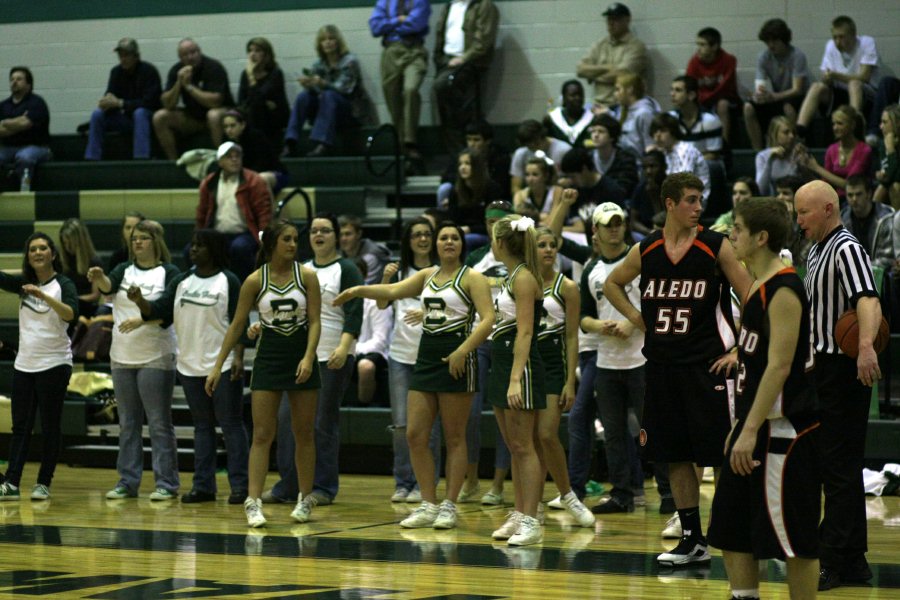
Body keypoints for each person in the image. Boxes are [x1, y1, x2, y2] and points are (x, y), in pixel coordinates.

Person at [605, 172, 752, 567]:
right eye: (690, 199)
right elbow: (611, 284)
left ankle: (735, 535)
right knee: (674, 456)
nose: (698, 207)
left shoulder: (714, 246)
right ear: (669, 203)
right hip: (663, 366)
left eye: (700, 199)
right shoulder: (647, 247)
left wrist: (741, 347)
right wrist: (638, 318)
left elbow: (754, 293)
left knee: (722, 454)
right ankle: (693, 540)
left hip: (709, 366)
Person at [333, 221, 494, 530]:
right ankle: (428, 503)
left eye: (454, 238)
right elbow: (392, 291)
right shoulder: (426, 275)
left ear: (462, 245)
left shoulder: (473, 278)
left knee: (455, 436)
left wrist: (462, 351)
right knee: (414, 434)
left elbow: (488, 320)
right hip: (426, 357)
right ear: (435, 245)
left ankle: (449, 504)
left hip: (458, 357)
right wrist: (358, 290)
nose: (448, 242)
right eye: (443, 238)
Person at [707, 197, 820, 600]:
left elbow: (779, 367)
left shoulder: (785, 288)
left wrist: (748, 428)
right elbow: (752, 367)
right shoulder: (754, 286)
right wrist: (740, 425)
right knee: (730, 529)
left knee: (794, 541)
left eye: (736, 228)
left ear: (761, 237)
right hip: (753, 426)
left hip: (784, 432)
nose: (730, 234)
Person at [794, 180, 882, 591]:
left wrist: (865, 345)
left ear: (829, 209)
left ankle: (832, 559)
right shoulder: (815, 250)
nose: (799, 221)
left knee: (839, 468)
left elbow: (868, 298)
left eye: (804, 213)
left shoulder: (846, 247)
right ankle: (855, 560)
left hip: (843, 368)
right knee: (839, 467)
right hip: (824, 368)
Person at [206, 220, 321, 527]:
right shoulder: (255, 281)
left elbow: (316, 321)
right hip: (268, 359)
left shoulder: (307, 276)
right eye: (287, 239)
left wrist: (309, 357)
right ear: (271, 244)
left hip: (301, 358)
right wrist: (218, 365)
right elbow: (237, 325)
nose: (294, 244)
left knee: (303, 433)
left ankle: (305, 498)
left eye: (296, 239)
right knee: (262, 434)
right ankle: (253, 501)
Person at [131, 229, 249, 505]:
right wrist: (139, 301)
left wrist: (238, 358)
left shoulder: (228, 281)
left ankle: (241, 486)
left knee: (231, 426)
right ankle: (204, 486)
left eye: (201, 245)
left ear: (215, 250)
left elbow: (238, 322)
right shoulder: (182, 281)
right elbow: (159, 310)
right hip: (189, 366)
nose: (193, 250)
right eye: (192, 244)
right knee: (202, 427)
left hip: (221, 366)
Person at [88, 220, 181, 501]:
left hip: (156, 355)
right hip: (122, 356)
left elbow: (164, 310)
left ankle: (167, 483)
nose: (136, 242)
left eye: (143, 238)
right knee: (128, 422)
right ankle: (127, 481)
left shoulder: (169, 272)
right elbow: (108, 286)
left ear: (155, 241)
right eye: (134, 238)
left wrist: (141, 316)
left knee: (158, 422)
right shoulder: (123, 270)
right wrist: (99, 276)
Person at [574, 203, 649, 515]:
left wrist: (632, 322)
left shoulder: (641, 259)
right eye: (608, 225)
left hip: (642, 358)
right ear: (596, 231)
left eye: (619, 223)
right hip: (607, 361)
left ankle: (670, 494)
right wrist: (599, 326)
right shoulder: (592, 270)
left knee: (652, 429)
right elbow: (583, 318)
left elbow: (657, 301)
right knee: (614, 432)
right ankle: (622, 493)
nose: (614, 228)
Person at [483, 215, 547, 546]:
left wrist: (515, 378)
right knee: (513, 446)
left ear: (502, 243)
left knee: (524, 446)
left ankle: (532, 520)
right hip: (503, 361)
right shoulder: (511, 276)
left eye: (493, 238)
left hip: (520, 366)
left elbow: (525, 330)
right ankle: (520, 513)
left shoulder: (523, 278)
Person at [0, 233, 77, 501]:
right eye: (33, 249)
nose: (38, 252)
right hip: (25, 364)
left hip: (55, 363)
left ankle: (43, 483)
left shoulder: (63, 284)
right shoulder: (24, 282)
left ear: (53, 254)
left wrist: (43, 296)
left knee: (49, 425)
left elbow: (70, 313)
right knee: (21, 426)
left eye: (43, 248)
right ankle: (11, 483)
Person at [528, 226, 594, 528]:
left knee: (546, 434)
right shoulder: (522, 283)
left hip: (553, 363)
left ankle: (568, 495)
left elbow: (571, 336)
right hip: (527, 363)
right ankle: (534, 503)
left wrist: (570, 380)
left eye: (552, 245)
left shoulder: (567, 286)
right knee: (528, 440)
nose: (548, 250)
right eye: (541, 245)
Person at [302, 213, 364, 505]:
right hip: (305, 357)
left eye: (325, 230)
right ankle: (294, 485)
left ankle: (324, 487)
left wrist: (343, 347)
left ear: (336, 236)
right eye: (314, 230)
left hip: (333, 356)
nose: (319, 235)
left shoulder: (346, 269)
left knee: (323, 422)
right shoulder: (301, 270)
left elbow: (354, 313)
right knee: (297, 423)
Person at [458, 202, 515, 508]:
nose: (494, 226)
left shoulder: (519, 259)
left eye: (500, 221)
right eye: (489, 221)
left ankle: (498, 485)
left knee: (505, 416)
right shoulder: (476, 258)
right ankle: (470, 480)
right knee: (470, 413)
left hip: (508, 342)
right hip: (480, 342)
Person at [379, 217, 440, 502]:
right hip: (401, 356)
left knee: (430, 426)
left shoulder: (442, 271)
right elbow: (381, 303)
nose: (423, 239)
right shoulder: (400, 270)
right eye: (417, 235)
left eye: (427, 234)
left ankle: (424, 485)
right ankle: (403, 482)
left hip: (432, 357)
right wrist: (385, 280)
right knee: (401, 424)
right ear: (408, 240)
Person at [285, 25, 376, 158]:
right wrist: (309, 85)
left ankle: (323, 143)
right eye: (324, 40)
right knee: (304, 96)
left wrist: (323, 83)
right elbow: (317, 92)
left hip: (350, 112)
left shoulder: (349, 61)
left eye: (331, 39)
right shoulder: (319, 64)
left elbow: (345, 89)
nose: (327, 42)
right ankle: (290, 142)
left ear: (338, 42)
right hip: (326, 110)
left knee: (329, 95)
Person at [195, 141, 272, 282]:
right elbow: (202, 212)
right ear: (220, 161)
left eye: (238, 156)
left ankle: (241, 287)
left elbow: (263, 212)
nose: (234, 159)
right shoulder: (209, 182)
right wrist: (198, 236)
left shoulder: (254, 181)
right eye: (229, 156)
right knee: (191, 250)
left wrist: (264, 238)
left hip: (245, 233)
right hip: (216, 233)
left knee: (239, 248)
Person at [368, 0, 431, 167]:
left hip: (414, 50)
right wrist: (398, 20)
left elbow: (416, 25)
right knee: (393, 100)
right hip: (391, 51)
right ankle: (404, 151)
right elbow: (375, 27)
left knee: (410, 90)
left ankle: (410, 141)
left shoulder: (420, 1)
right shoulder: (385, 2)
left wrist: (389, 25)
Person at [796, 16, 881, 140]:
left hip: (865, 92)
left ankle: (854, 128)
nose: (837, 41)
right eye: (835, 37)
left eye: (841, 37)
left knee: (854, 84)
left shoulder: (866, 43)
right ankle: (800, 131)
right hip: (840, 92)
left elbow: (865, 76)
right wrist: (826, 78)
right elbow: (826, 76)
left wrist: (835, 75)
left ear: (853, 35)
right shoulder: (831, 46)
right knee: (816, 86)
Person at [432, 0, 499, 153]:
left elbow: (483, 39)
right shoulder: (450, 6)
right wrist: (439, 58)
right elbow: (440, 34)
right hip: (448, 61)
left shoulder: (483, 5)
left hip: (470, 62)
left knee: (468, 112)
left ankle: (471, 154)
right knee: (448, 111)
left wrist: (464, 58)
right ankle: (457, 155)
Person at [153, 38, 233, 160]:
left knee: (213, 115)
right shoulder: (177, 70)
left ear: (199, 51)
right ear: (180, 58)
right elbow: (168, 104)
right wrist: (179, 83)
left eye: (193, 52)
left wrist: (189, 87)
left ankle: (222, 161)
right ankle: (173, 162)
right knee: (160, 117)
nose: (190, 57)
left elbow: (215, 101)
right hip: (193, 117)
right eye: (185, 54)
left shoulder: (213, 67)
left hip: (221, 114)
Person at [85, 38, 162, 160]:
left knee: (140, 113)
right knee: (97, 114)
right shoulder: (116, 72)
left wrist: (121, 103)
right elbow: (110, 95)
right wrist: (106, 102)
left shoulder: (149, 71)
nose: (123, 59)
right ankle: (92, 158)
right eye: (120, 55)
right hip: (125, 119)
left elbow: (150, 102)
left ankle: (141, 159)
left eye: (126, 55)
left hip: (146, 120)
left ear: (136, 56)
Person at [743, 19, 809, 152]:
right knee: (748, 107)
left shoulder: (797, 55)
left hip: (795, 98)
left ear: (784, 39)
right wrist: (759, 95)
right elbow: (760, 83)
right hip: (777, 97)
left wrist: (774, 96)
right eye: (767, 41)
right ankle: (758, 152)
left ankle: (793, 148)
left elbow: (797, 89)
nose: (770, 45)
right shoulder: (764, 56)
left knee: (788, 107)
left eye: (774, 41)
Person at [576, 2, 648, 110]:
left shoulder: (637, 47)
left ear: (627, 20)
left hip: (624, 107)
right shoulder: (600, 45)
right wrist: (606, 67)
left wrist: (593, 76)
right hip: (598, 105)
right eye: (609, 19)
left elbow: (621, 75)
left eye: (616, 19)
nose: (611, 23)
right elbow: (580, 70)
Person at [800, 104, 873, 199]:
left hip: (856, 199)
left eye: (840, 123)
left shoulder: (864, 150)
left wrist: (817, 168)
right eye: (833, 124)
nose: (835, 128)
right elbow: (825, 185)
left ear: (852, 125)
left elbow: (850, 185)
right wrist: (805, 169)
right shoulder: (832, 150)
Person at [686, 27, 739, 145]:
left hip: (725, 98)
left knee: (722, 105)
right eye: (697, 44)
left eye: (702, 45)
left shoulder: (729, 60)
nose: (698, 49)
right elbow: (689, 86)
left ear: (714, 46)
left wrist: (702, 99)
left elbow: (724, 88)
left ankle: (723, 144)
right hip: (703, 99)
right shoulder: (694, 62)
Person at [0, 66, 51, 185]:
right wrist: (18, 122)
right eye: (12, 79)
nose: (14, 82)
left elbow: (25, 124)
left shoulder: (37, 103)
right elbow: (21, 124)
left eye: (19, 79)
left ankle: (24, 190)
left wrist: (4, 122)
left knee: (24, 157)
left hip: (36, 146)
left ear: (28, 84)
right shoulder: (3, 105)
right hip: (8, 148)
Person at [559, 147, 626, 234]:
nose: (571, 181)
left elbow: (621, 227)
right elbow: (578, 227)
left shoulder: (611, 190)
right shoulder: (575, 190)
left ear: (584, 169)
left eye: (573, 176)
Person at [353, 258, 393, 406]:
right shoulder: (337, 300)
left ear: (363, 276)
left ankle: (363, 409)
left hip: (374, 353)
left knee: (365, 367)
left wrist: (350, 350)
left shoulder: (375, 299)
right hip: (346, 351)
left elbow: (380, 341)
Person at [649, 113, 711, 208]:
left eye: (662, 131)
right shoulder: (664, 151)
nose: (657, 135)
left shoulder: (685, 150)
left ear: (673, 132)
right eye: (655, 131)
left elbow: (683, 183)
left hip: (695, 200)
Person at [237, 37, 289, 149]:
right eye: (250, 51)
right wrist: (263, 102)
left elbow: (260, 96)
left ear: (267, 55)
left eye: (257, 51)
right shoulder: (244, 74)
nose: (252, 54)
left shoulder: (275, 73)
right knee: (251, 109)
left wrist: (251, 76)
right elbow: (241, 101)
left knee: (257, 107)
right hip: (255, 113)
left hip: (275, 115)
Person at [222, 110, 288, 195]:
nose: (228, 130)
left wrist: (243, 177)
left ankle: (266, 208)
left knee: (259, 180)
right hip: (247, 177)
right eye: (225, 127)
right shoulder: (226, 143)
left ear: (242, 125)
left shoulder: (256, 137)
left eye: (232, 126)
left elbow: (263, 163)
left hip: (274, 173)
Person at [447, 148, 503, 249]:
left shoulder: (492, 189)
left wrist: (469, 229)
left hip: (486, 234)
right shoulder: (455, 191)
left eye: (467, 164)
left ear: (477, 166)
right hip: (461, 233)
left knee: (466, 240)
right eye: (460, 164)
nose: (463, 167)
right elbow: (452, 219)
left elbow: (494, 223)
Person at [841, 175, 894, 272]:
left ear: (869, 194)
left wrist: (859, 270)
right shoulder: (843, 218)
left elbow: (887, 259)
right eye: (850, 195)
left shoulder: (886, 217)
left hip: (880, 276)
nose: (854, 199)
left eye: (858, 194)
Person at [509, 120, 572, 197]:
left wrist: (566, 182)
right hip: (531, 198)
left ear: (543, 136)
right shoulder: (520, 154)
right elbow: (516, 186)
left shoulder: (564, 150)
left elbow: (575, 179)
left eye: (536, 144)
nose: (534, 148)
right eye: (530, 147)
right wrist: (521, 202)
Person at [669, 75, 723, 161]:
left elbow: (713, 155)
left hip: (704, 166)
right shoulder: (671, 118)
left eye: (678, 90)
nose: (672, 94)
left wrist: (688, 164)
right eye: (671, 90)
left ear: (691, 95)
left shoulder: (709, 120)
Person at [58, 218, 103, 319]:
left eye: (71, 243)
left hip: (84, 306)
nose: (67, 247)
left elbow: (95, 295)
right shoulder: (61, 261)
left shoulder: (94, 262)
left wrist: (74, 300)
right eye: (65, 243)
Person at [589, 113, 639, 197]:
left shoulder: (625, 159)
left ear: (612, 136)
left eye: (601, 131)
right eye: (593, 131)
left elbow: (625, 189)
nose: (596, 135)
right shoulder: (587, 158)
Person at [610, 70, 657, 158]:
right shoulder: (622, 110)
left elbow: (650, 146)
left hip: (638, 163)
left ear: (629, 90)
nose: (615, 94)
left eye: (618, 89)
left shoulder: (644, 113)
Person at [755, 116, 803, 196]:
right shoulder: (763, 156)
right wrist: (769, 161)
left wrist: (803, 165)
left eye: (793, 133)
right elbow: (760, 189)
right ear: (774, 134)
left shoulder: (798, 154)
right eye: (786, 132)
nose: (791, 136)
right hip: (772, 201)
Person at [338, 214, 392, 285]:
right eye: (340, 235)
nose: (343, 239)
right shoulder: (338, 254)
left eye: (348, 234)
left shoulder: (371, 257)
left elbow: (362, 286)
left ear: (359, 234)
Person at [512, 156, 564, 222]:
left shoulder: (557, 192)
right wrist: (543, 217)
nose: (530, 179)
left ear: (545, 176)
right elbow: (519, 221)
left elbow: (554, 221)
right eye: (527, 175)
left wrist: (533, 218)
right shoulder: (520, 195)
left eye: (535, 174)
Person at [545, 80, 593, 148]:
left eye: (580, 94)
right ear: (564, 98)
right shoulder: (551, 119)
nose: (578, 98)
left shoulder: (592, 118)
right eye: (573, 95)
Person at [629, 149, 667, 236]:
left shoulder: (673, 186)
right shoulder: (640, 189)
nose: (648, 171)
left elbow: (662, 219)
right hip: (648, 233)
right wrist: (650, 232)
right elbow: (633, 222)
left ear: (664, 167)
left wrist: (654, 197)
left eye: (653, 166)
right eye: (645, 167)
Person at [874, 104, 900, 207]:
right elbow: (886, 173)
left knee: (895, 187)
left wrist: (891, 150)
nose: (881, 126)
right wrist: (880, 175)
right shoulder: (883, 143)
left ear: (897, 123)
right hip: (889, 185)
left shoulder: (888, 144)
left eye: (884, 122)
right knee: (882, 188)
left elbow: (896, 177)